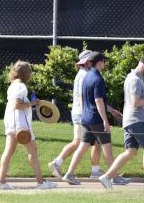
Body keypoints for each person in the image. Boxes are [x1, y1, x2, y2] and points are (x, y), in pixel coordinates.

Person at [49, 50, 121, 182]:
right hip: (83, 113)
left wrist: (110, 110)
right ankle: (57, 162)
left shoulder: (86, 74)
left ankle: (94, 170)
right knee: (79, 142)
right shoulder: (86, 75)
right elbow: (91, 99)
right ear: (87, 62)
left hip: (85, 114)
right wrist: (95, 115)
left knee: (93, 144)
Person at [98, 56, 144, 190]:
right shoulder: (135, 80)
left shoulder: (133, 77)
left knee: (131, 151)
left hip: (132, 120)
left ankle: (107, 177)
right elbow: (135, 102)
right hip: (136, 120)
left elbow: (135, 103)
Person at [0, 61, 57, 190]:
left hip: (10, 121)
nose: (30, 74)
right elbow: (17, 105)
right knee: (32, 151)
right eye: (29, 71)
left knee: (8, 151)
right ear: (25, 73)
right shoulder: (21, 86)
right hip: (21, 123)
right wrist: (33, 103)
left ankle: (1, 182)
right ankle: (41, 183)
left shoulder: (13, 85)